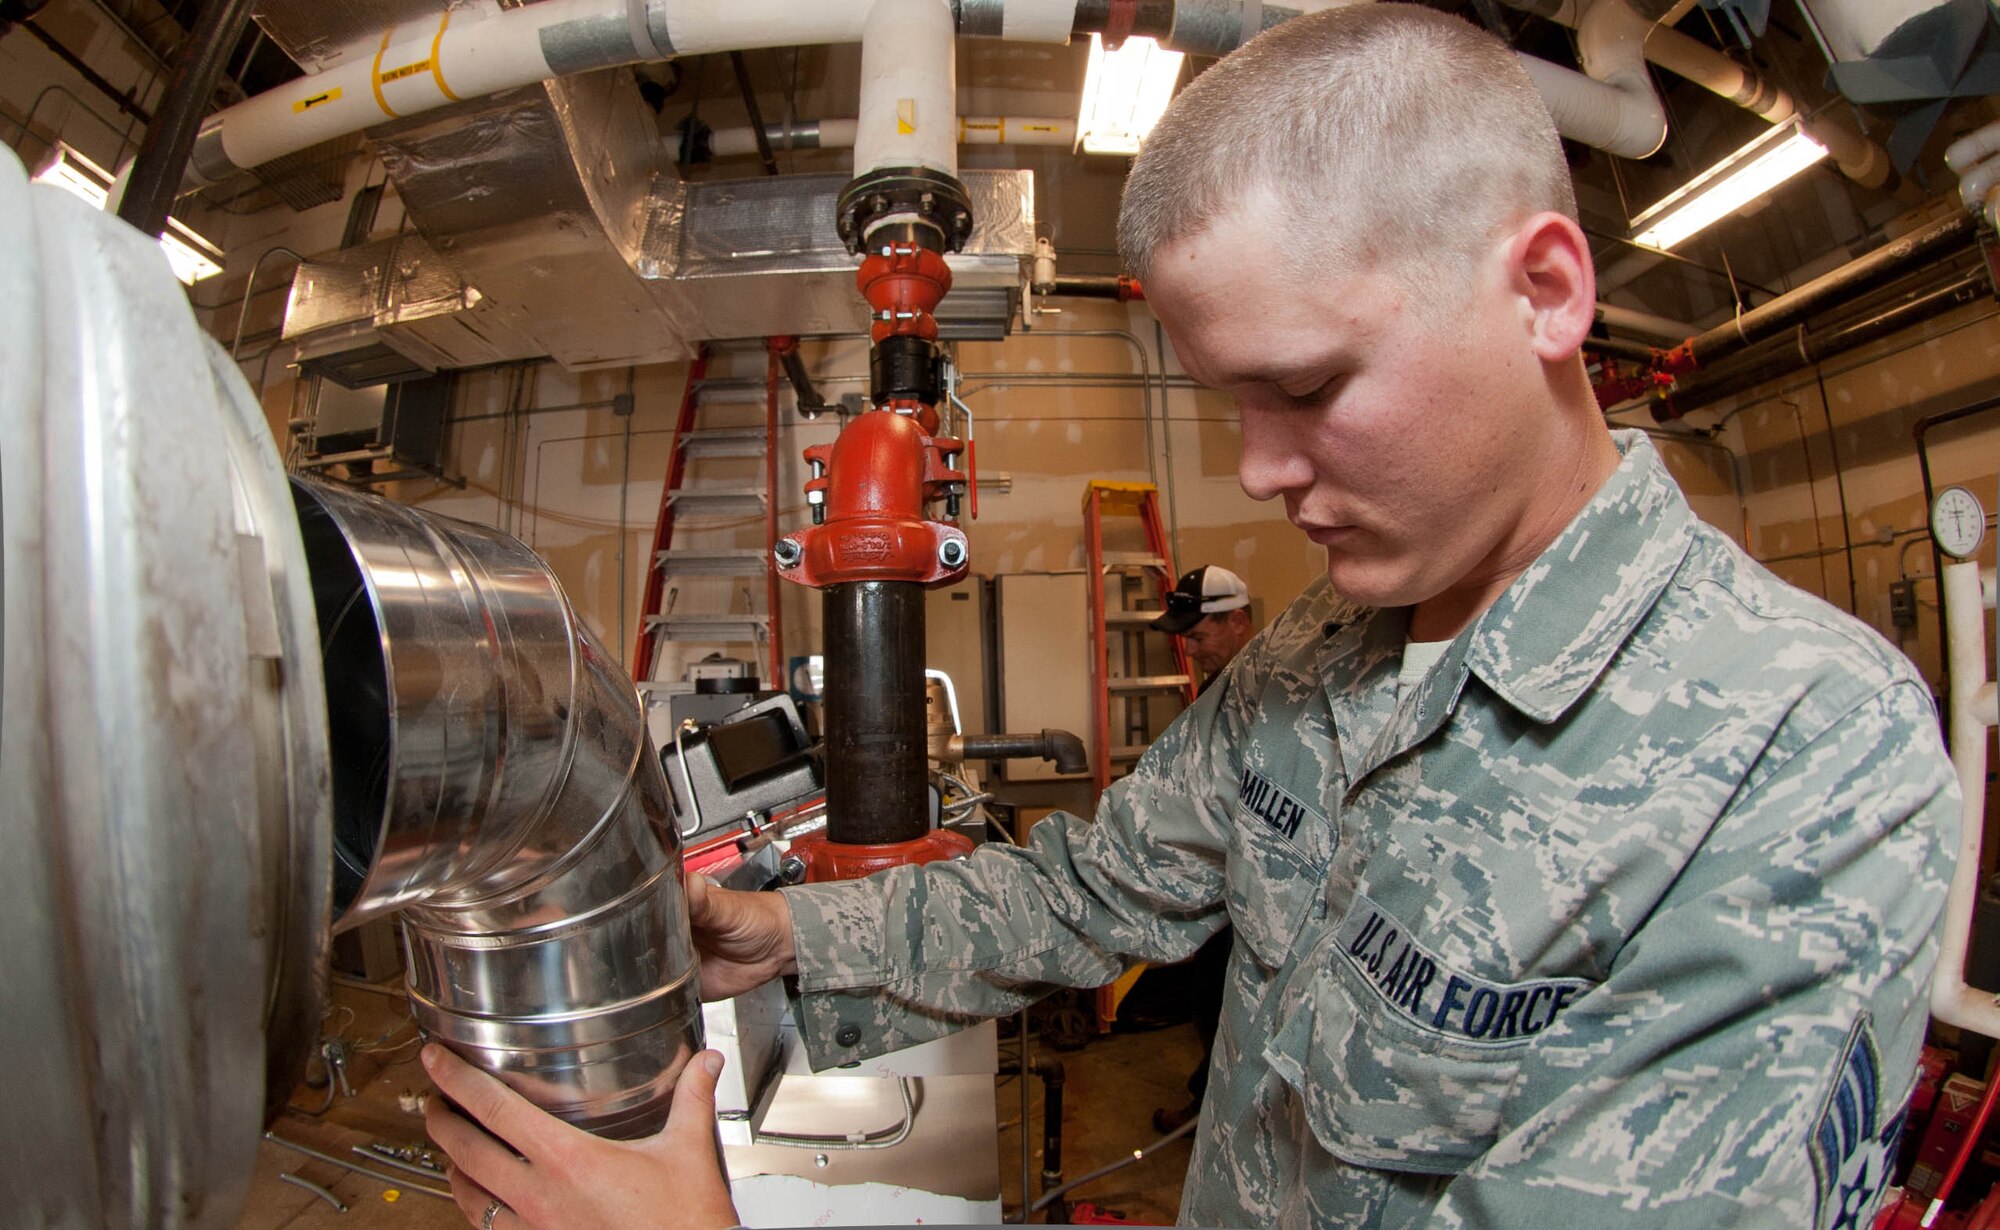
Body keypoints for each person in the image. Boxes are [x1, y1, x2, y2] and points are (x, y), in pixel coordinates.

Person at [425, 7, 1959, 1228]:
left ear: (1548, 292)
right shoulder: (1323, 653)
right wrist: (790, 934)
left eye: (1304, 388)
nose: (1258, 470)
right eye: (1232, 401)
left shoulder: (1805, 764)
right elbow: (1092, 894)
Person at [1135, 564, 1258, 1133]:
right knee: (1208, 996)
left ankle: (1223, 1121)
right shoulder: (1221, 682)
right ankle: (1211, 1107)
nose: (1190, 647)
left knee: (1229, 1002)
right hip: (1219, 875)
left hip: (1253, 883)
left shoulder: (1269, 687)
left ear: (1238, 620)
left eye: (1200, 634)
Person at [1152, 564, 1258, 687]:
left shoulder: (1276, 689)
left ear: (1238, 623)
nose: (1188, 651)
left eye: (1198, 638)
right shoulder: (1213, 690)